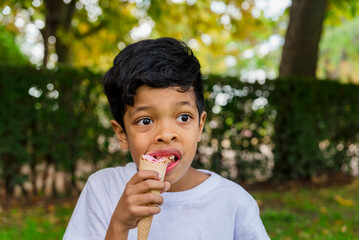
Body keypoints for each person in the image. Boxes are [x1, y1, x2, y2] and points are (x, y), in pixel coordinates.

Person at [63, 37, 270, 240]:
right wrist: (119, 225)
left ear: (200, 126)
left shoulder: (234, 203)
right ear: (122, 134)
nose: (166, 135)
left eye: (183, 117)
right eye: (145, 121)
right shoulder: (103, 189)